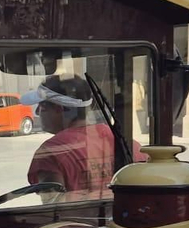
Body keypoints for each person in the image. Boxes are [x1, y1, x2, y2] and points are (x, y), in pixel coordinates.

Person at [24, 73, 138, 201]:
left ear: (59, 109)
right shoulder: (128, 143)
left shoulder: (51, 152)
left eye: (42, 106)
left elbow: (53, 207)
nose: (37, 112)